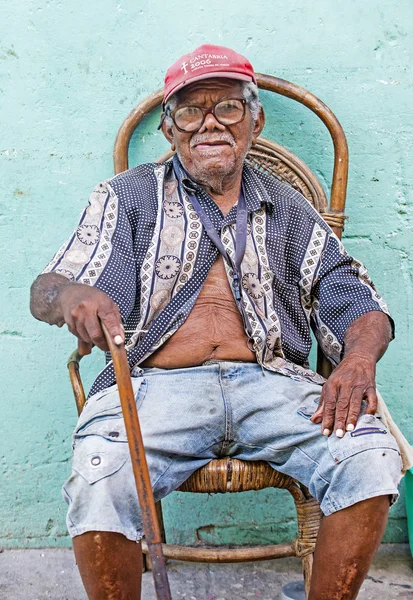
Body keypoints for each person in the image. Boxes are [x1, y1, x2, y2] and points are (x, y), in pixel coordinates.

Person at [30, 44, 403, 600]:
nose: (209, 123)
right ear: (168, 128)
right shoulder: (126, 198)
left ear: (255, 120)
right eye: (190, 110)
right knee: (98, 476)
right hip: (154, 389)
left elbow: (353, 296)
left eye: (227, 107)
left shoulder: (287, 207)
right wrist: (73, 295)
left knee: (372, 457)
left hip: (272, 385)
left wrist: (357, 360)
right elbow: (45, 291)